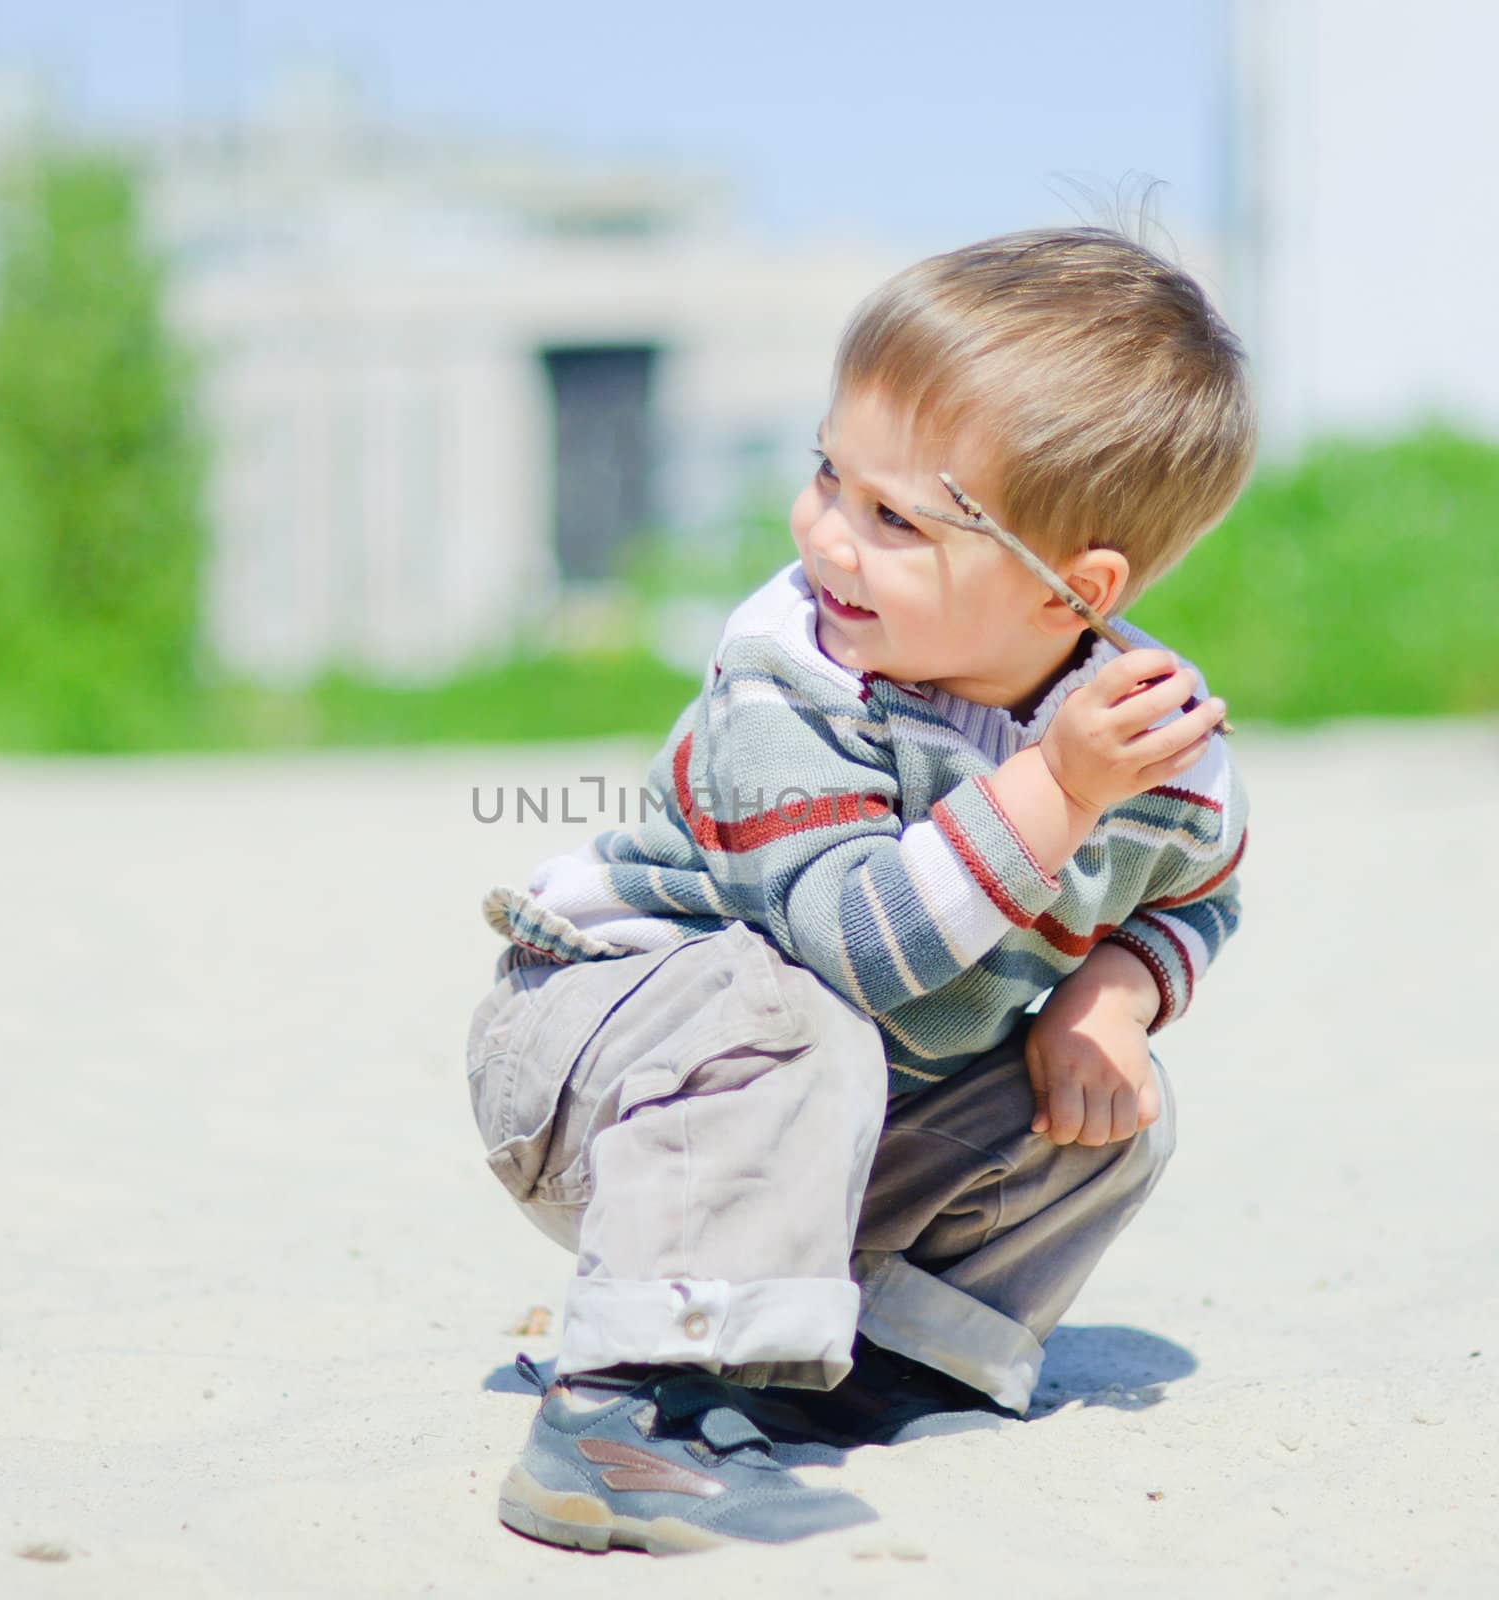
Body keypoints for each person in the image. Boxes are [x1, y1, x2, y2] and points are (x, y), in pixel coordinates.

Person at [465, 226, 1256, 1555]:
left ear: (1080, 589)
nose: (826, 535)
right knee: (788, 1009)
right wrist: (1052, 796)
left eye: (895, 520)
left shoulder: (1145, 738)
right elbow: (856, 949)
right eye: (829, 474)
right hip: (602, 1069)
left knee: (1110, 1107)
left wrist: (1112, 996)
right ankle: (620, 1413)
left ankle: (876, 1369)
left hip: (835, 1130)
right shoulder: (789, 684)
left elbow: (1200, 893)